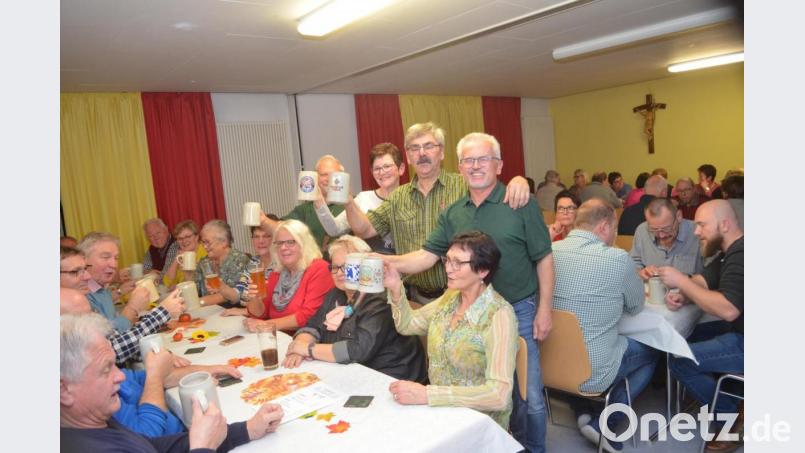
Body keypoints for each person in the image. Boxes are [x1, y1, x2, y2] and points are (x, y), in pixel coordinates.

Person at [384, 132, 553, 452]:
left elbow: (544, 257)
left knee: (527, 397)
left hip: (517, 307)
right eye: (468, 161)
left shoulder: (518, 200)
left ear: (499, 165)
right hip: (465, 304)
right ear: (459, 167)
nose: (475, 166)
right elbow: (427, 256)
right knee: (486, 388)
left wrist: (544, 309)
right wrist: (387, 263)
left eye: (483, 159)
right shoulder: (453, 211)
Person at [343, 122, 531, 305]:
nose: (422, 153)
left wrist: (519, 180)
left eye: (428, 146)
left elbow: (492, 186)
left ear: (441, 152)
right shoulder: (398, 197)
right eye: (415, 148)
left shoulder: (464, 186)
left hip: (459, 296)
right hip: (413, 297)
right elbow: (364, 229)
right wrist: (347, 199)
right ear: (408, 157)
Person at [61, 313, 283, 452]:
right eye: (105, 370)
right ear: (63, 390)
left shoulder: (94, 423)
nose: (120, 376)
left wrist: (246, 430)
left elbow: (156, 447)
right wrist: (202, 447)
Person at [383, 231, 518, 431]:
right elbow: (408, 325)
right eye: (447, 260)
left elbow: (499, 395)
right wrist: (396, 288)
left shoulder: (499, 315)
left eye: (457, 263)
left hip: (479, 423)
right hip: (440, 413)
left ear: (482, 271)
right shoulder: (450, 298)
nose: (448, 269)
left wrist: (428, 394)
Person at [552, 199, 658, 452]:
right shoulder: (617, 258)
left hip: (552, 362)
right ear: (603, 227)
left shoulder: (549, 251)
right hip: (592, 370)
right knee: (653, 350)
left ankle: (582, 411)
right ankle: (606, 424)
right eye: (614, 229)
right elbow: (635, 306)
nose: (615, 235)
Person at [657, 199, 744, 452]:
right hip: (739, 331)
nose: (696, 232)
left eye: (702, 225)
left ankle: (732, 419)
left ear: (724, 225)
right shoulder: (731, 251)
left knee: (678, 359)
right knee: (689, 335)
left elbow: (728, 309)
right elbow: (704, 280)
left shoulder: (741, 255)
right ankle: (732, 401)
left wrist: (681, 284)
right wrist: (686, 291)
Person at [283, 235, 426, 382]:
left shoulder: (380, 298)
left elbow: (357, 350)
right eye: (335, 267)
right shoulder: (335, 294)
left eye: (346, 267)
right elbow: (313, 326)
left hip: (391, 378)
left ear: (365, 267)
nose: (339, 273)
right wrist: (297, 348)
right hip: (355, 372)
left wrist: (308, 349)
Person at [60, 250, 184, 364]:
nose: (87, 276)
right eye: (75, 272)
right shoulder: (68, 310)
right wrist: (161, 312)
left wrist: (156, 354)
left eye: (85, 269)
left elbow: (113, 339)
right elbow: (111, 351)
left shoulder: (82, 300)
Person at [313, 143, 404, 254]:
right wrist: (319, 202)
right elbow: (334, 229)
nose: (382, 172)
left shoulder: (410, 198)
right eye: (377, 168)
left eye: (387, 166)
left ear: (401, 169)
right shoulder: (363, 199)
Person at [244, 219, 333, 332]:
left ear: (304, 244)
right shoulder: (277, 273)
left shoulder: (319, 269)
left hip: (304, 340)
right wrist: (254, 298)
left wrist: (266, 325)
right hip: (278, 336)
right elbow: (261, 314)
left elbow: (308, 316)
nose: (283, 248)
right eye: (279, 243)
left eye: (290, 242)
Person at [259, 155, 346, 249]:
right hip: (313, 262)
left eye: (333, 175)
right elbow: (281, 229)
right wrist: (263, 220)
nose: (328, 179)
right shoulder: (304, 210)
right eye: (323, 174)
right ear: (315, 177)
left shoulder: (352, 205)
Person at [78, 232, 152, 331]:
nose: (114, 264)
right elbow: (108, 338)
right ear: (84, 260)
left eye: (116, 258)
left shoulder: (100, 287)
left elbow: (104, 306)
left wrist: (120, 291)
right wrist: (132, 308)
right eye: (105, 257)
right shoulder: (80, 297)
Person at [631, 198, 704, 281]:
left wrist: (683, 280)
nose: (661, 235)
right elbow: (634, 263)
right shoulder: (642, 230)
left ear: (679, 216)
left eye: (666, 228)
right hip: (651, 291)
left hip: (689, 291)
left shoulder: (698, 232)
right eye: (654, 230)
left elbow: (712, 275)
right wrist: (641, 272)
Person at [195, 220, 251, 308]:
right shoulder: (204, 262)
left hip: (232, 313)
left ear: (224, 242)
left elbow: (228, 296)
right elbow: (195, 289)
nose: (204, 246)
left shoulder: (239, 260)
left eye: (208, 242)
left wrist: (198, 303)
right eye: (203, 242)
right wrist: (188, 272)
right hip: (209, 312)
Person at [162, 220, 207, 288]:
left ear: (196, 237)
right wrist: (176, 259)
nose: (184, 241)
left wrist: (178, 286)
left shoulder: (205, 252)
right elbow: (167, 281)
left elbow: (200, 281)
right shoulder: (181, 256)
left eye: (188, 237)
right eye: (180, 238)